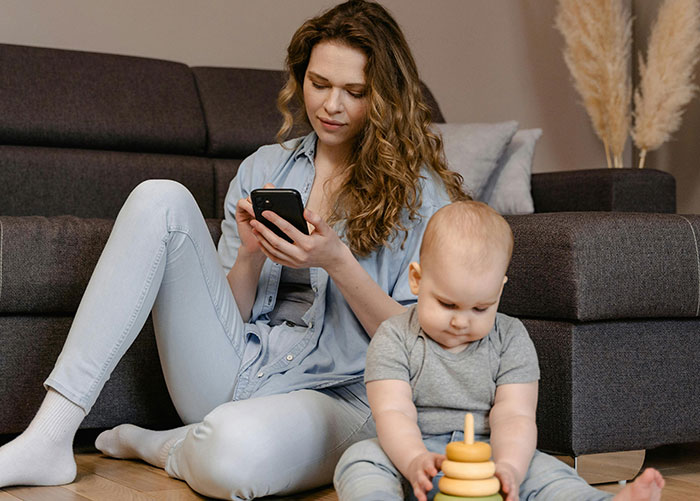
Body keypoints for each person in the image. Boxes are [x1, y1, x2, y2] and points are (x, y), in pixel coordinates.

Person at [0, 1, 467, 499]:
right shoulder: (265, 167)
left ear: (387, 97)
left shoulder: (425, 196)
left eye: (355, 92)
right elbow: (230, 315)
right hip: (243, 367)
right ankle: (49, 437)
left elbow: (424, 351)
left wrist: (336, 261)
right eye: (318, 83)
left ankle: (167, 446)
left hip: (346, 396)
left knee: (232, 458)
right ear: (299, 78)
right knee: (159, 197)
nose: (331, 106)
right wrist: (250, 255)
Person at [333, 200, 665, 501]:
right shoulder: (393, 337)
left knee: (546, 471)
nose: (462, 321)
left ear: (499, 292)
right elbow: (393, 412)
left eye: (480, 308)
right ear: (417, 280)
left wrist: (509, 468)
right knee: (360, 459)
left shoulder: (510, 339)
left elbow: (515, 415)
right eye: (447, 304)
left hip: (490, 454)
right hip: (417, 456)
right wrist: (414, 460)